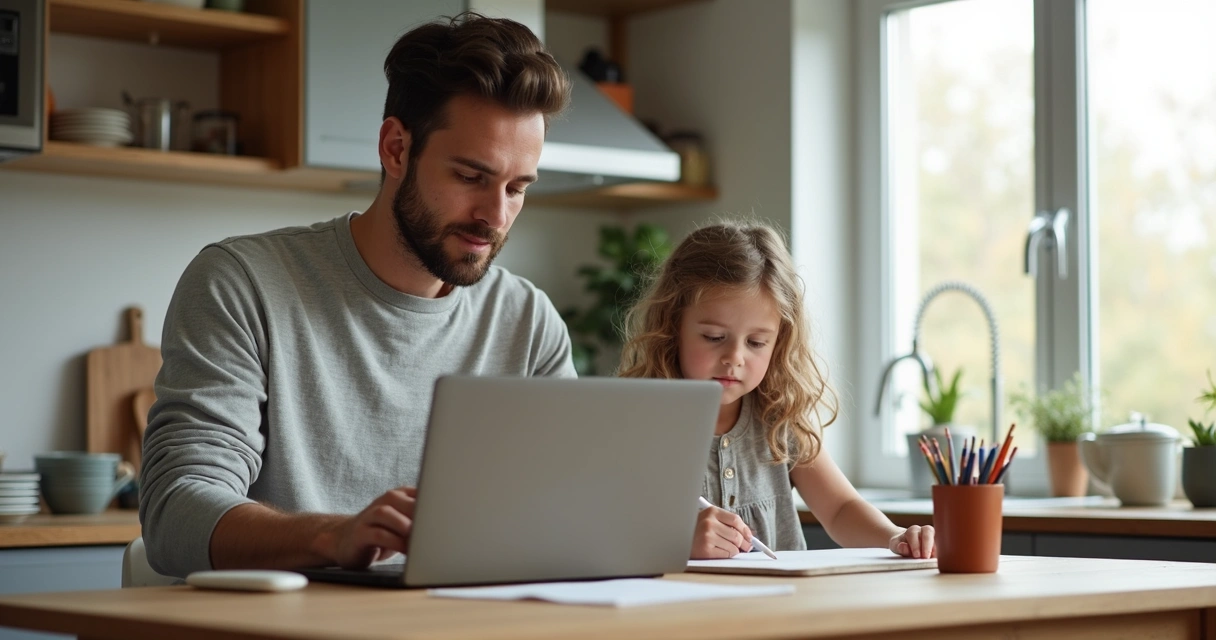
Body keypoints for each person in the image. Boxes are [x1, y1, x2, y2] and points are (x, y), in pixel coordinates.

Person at [140, 13, 575, 578]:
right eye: (471, 176)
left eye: (517, 188)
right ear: (396, 148)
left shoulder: (526, 321)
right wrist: (334, 535)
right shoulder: (242, 283)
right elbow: (175, 513)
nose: (496, 216)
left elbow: (567, 500)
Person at [619, 221, 936, 560]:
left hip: (781, 609)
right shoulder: (637, 424)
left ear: (779, 343)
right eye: (713, 337)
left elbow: (841, 508)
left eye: (756, 342)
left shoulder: (778, 418)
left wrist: (895, 537)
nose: (734, 358)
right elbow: (608, 535)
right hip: (683, 611)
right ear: (672, 327)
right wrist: (677, 542)